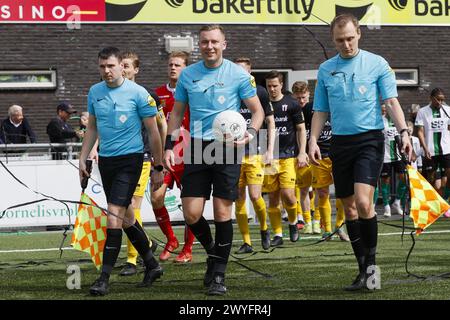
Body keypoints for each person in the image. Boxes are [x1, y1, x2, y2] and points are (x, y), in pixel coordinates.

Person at [309, 14, 412, 291]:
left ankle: (373, 270)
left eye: (350, 38)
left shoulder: (377, 63)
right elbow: (321, 110)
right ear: (333, 40)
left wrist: (404, 132)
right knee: (349, 208)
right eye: (340, 40)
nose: (346, 44)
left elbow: (390, 101)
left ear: (359, 34)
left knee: (365, 203)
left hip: (369, 140)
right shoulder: (325, 69)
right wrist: (312, 140)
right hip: (340, 144)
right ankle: (363, 271)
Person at [163, 25, 264, 296]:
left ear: (224, 44)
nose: (210, 46)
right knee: (191, 213)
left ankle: (218, 275)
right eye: (205, 42)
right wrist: (169, 144)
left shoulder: (237, 74)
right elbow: (176, 114)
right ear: (200, 44)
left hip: (228, 147)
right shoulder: (188, 76)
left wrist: (251, 133)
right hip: (196, 146)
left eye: (215, 42)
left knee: (222, 212)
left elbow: (258, 111)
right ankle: (214, 253)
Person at [79, 47, 164, 296]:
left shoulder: (139, 94)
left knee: (114, 214)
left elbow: (154, 132)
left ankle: (104, 278)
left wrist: (158, 165)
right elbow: (92, 129)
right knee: (127, 216)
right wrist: (83, 158)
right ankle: (152, 264)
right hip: (106, 161)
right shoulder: (95, 92)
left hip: (131, 160)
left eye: (111, 66)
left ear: (121, 66)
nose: (106, 71)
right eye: (102, 66)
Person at [118, 50, 167, 276]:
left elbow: (162, 125)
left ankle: (132, 259)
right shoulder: (112, 94)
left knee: (133, 206)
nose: (123, 69)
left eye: (127, 65)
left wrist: (161, 155)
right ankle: (145, 242)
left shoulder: (148, 95)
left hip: (142, 157)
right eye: (121, 65)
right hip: (118, 158)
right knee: (122, 208)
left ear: (136, 69)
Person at [152, 51, 196, 263]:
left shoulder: (194, 92)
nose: (173, 68)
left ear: (186, 68)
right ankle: (171, 239)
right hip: (167, 156)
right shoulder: (158, 93)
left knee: (190, 207)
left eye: (177, 65)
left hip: (191, 156)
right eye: (170, 64)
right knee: (156, 197)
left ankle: (187, 249)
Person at [296, 82, 349, 241]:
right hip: (318, 156)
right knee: (322, 193)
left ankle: (339, 226)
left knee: (343, 193)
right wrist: (304, 151)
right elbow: (302, 131)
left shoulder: (341, 105)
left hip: (339, 155)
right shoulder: (309, 108)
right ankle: (327, 230)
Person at [233, 57, 275, 253]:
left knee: (255, 195)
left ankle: (265, 229)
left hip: (254, 152)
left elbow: (270, 121)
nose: (240, 74)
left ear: (249, 72)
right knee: (238, 197)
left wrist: (269, 150)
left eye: (243, 71)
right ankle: (247, 242)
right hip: (232, 154)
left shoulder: (259, 91)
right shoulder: (228, 90)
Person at [263, 71, 308, 247]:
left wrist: (302, 152)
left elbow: (301, 129)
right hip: (269, 157)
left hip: (288, 156)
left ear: (281, 84)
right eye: (269, 86)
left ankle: (292, 223)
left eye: (275, 85)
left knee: (288, 196)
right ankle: (278, 234)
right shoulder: (262, 104)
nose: (272, 89)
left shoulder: (291, 104)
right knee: (273, 198)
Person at [291, 81, 320, 234]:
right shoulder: (291, 109)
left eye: (303, 97)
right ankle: (306, 220)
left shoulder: (315, 109)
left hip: (316, 154)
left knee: (319, 189)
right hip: (298, 155)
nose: (301, 101)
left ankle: (318, 221)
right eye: (298, 98)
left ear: (308, 94)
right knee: (303, 190)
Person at [415, 87, 450, 202]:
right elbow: (420, 131)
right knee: (430, 180)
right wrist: (425, 149)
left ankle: (445, 201)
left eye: (442, 100)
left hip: (446, 150)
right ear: (431, 98)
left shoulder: (447, 110)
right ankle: (431, 204)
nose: (440, 102)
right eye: (438, 99)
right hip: (430, 151)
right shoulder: (422, 111)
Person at [380, 104, 407, 217]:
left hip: (398, 156)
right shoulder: (380, 121)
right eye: (383, 109)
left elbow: (405, 135)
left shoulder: (398, 120)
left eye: (387, 109)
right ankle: (386, 206)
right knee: (385, 181)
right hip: (385, 156)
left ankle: (397, 202)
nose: (385, 111)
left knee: (404, 179)